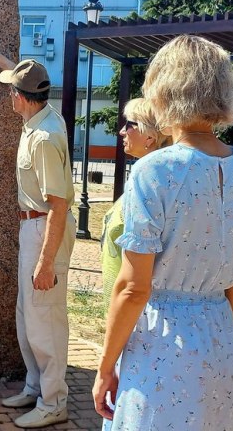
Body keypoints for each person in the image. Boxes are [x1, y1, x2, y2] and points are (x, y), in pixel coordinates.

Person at [92, 35, 233, 430]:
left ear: (163, 89)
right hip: (221, 340)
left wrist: (105, 367)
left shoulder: (154, 171)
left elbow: (133, 288)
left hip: (160, 343)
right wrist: (211, 324)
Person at [0, 50, 76, 429]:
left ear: (20, 97)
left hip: (43, 227)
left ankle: (54, 402)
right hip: (31, 226)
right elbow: (23, 75)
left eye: (10, 92)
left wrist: (46, 262)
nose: (7, 97)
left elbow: (59, 205)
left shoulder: (45, 137)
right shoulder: (39, 116)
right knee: (28, 314)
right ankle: (36, 387)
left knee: (44, 317)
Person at [100, 98, 171, 312]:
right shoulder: (148, 176)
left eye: (129, 125)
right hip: (126, 307)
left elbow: (138, 280)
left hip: (135, 312)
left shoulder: (152, 181)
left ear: (150, 136)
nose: (122, 131)